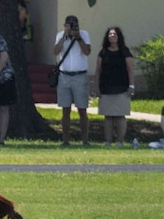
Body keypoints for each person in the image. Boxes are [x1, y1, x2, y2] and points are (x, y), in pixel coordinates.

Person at [52, 14, 92, 146]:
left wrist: (78, 38)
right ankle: (65, 140)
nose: (72, 28)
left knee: (82, 109)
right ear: (65, 26)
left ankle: (85, 140)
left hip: (80, 76)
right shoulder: (60, 35)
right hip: (64, 76)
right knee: (65, 109)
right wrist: (65, 36)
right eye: (69, 26)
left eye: (74, 25)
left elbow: (87, 52)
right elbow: (56, 51)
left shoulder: (84, 34)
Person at [96, 26, 136, 146]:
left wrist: (131, 86)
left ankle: (120, 141)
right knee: (108, 116)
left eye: (114, 34)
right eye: (110, 34)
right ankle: (108, 141)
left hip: (122, 88)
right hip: (106, 88)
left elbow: (130, 69)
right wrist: (96, 87)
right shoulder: (103, 52)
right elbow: (98, 70)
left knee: (120, 116)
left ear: (119, 37)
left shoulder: (125, 52)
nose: (112, 36)